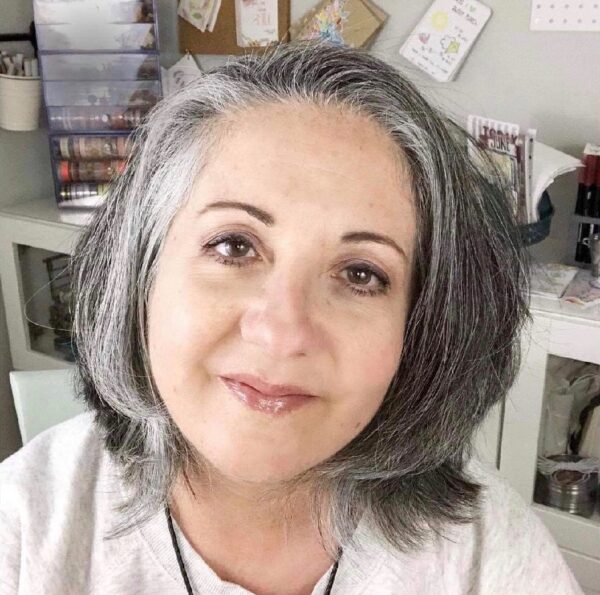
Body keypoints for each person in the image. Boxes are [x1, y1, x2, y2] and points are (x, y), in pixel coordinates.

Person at [0, 41, 582, 595]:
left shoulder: (485, 551)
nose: (282, 334)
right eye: (233, 245)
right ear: (141, 272)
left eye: (361, 274)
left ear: (423, 328)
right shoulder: (26, 524)